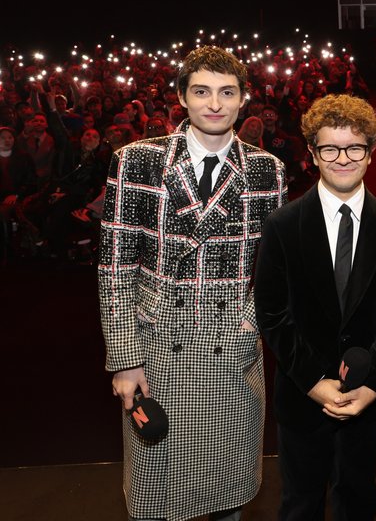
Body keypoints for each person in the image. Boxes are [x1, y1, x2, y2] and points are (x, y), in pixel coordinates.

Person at [98, 45, 287, 521]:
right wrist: (124, 359)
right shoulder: (137, 161)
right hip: (158, 353)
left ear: (244, 99)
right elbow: (115, 265)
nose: (215, 104)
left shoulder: (268, 170)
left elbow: (275, 270)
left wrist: (248, 326)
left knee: (229, 496)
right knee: (158, 496)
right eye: (201, 92)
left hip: (232, 354)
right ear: (182, 97)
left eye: (227, 92)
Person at [254, 93, 376, 521]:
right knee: (300, 504)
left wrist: (374, 382)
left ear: (371, 153)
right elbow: (272, 313)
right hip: (303, 397)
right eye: (330, 148)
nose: (343, 158)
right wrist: (313, 380)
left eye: (355, 148)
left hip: (366, 397)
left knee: (358, 499)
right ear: (312, 153)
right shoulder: (283, 225)